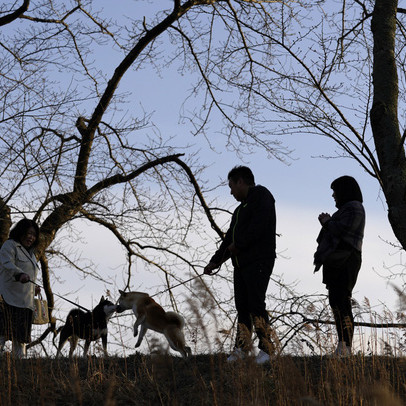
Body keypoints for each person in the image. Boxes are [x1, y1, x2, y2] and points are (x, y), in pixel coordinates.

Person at [204, 166, 277, 364]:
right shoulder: (239, 210)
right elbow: (230, 238)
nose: (231, 191)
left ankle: (267, 349)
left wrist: (241, 243)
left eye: (231, 186)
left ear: (240, 182)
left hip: (259, 260)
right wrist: (215, 260)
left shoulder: (261, 196)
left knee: (256, 304)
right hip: (241, 264)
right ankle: (242, 348)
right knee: (242, 307)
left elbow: (259, 225)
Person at [314, 176, 365, 356]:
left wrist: (328, 223)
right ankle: (343, 346)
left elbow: (343, 231)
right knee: (336, 302)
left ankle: (346, 347)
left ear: (344, 191)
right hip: (337, 262)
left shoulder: (354, 208)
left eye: (335, 191)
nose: (333, 195)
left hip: (345, 261)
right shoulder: (346, 209)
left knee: (341, 301)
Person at [0, 218, 41, 358]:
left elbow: (30, 275)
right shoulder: (9, 245)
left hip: (25, 302)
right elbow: (7, 264)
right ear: (20, 232)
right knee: (2, 334)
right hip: (8, 298)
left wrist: (33, 287)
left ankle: (19, 366)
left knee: (21, 339)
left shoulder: (32, 254)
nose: (31, 237)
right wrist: (20, 274)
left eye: (34, 235)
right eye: (28, 233)